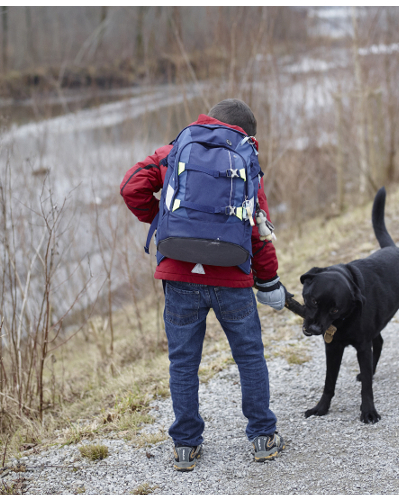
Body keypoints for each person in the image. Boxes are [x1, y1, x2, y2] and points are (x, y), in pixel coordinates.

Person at [119, 98, 288, 471]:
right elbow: (258, 227)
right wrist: (269, 280)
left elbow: (131, 186)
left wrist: (164, 221)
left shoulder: (174, 150)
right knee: (249, 357)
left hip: (180, 274)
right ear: (245, 133)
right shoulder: (246, 159)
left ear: (210, 119)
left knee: (183, 362)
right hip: (232, 275)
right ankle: (262, 436)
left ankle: (185, 446)